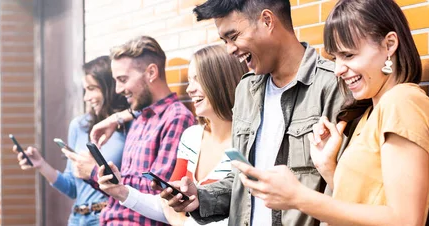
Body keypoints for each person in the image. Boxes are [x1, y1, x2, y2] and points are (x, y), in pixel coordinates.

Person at [232, 0, 429, 225]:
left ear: (389, 44)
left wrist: (299, 197)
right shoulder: (372, 111)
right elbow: (365, 203)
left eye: (349, 55)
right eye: (335, 58)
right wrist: (327, 166)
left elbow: (405, 220)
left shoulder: (402, 102)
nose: (338, 69)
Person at [159, 0, 344, 225]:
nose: (229, 49)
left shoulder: (333, 85)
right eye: (224, 40)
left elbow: (346, 187)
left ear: (267, 21)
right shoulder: (246, 90)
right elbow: (242, 179)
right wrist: (200, 197)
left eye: (233, 36)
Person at [102, 45, 247, 226]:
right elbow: (167, 207)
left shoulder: (248, 143)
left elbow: (245, 215)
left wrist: (183, 223)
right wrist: (121, 191)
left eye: (198, 79)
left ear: (222, 81)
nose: (189, 89)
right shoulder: (191, 137)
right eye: (188, 80)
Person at [69, 36, 195, 226]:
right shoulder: (139, 117)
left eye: (123, 79)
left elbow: (159, 189)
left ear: (151, 72)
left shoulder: (176, 118)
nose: (118, 89)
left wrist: (94, 172)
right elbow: (121, 190)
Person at [12, 56, 130, 226]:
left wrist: (93, 170)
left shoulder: (127, 127)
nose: (86, 97)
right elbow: (72, 188)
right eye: (85, 90)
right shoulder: (79, 126)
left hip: (107, 218)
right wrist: (41, 164)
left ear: (110, 88)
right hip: (76, 219)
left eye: (92, 89)